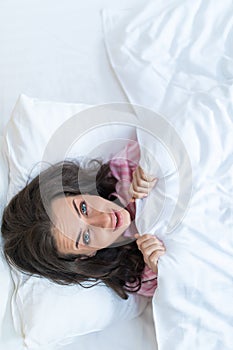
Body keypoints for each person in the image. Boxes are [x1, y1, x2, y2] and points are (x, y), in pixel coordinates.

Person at [1, 141, 166, 299]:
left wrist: (154, 165)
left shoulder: (124, 169)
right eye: (86, 237)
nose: (104, 219)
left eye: (83, 208)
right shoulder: (140, 275)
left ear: (79, 191)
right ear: (85, 256)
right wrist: (164, 269)